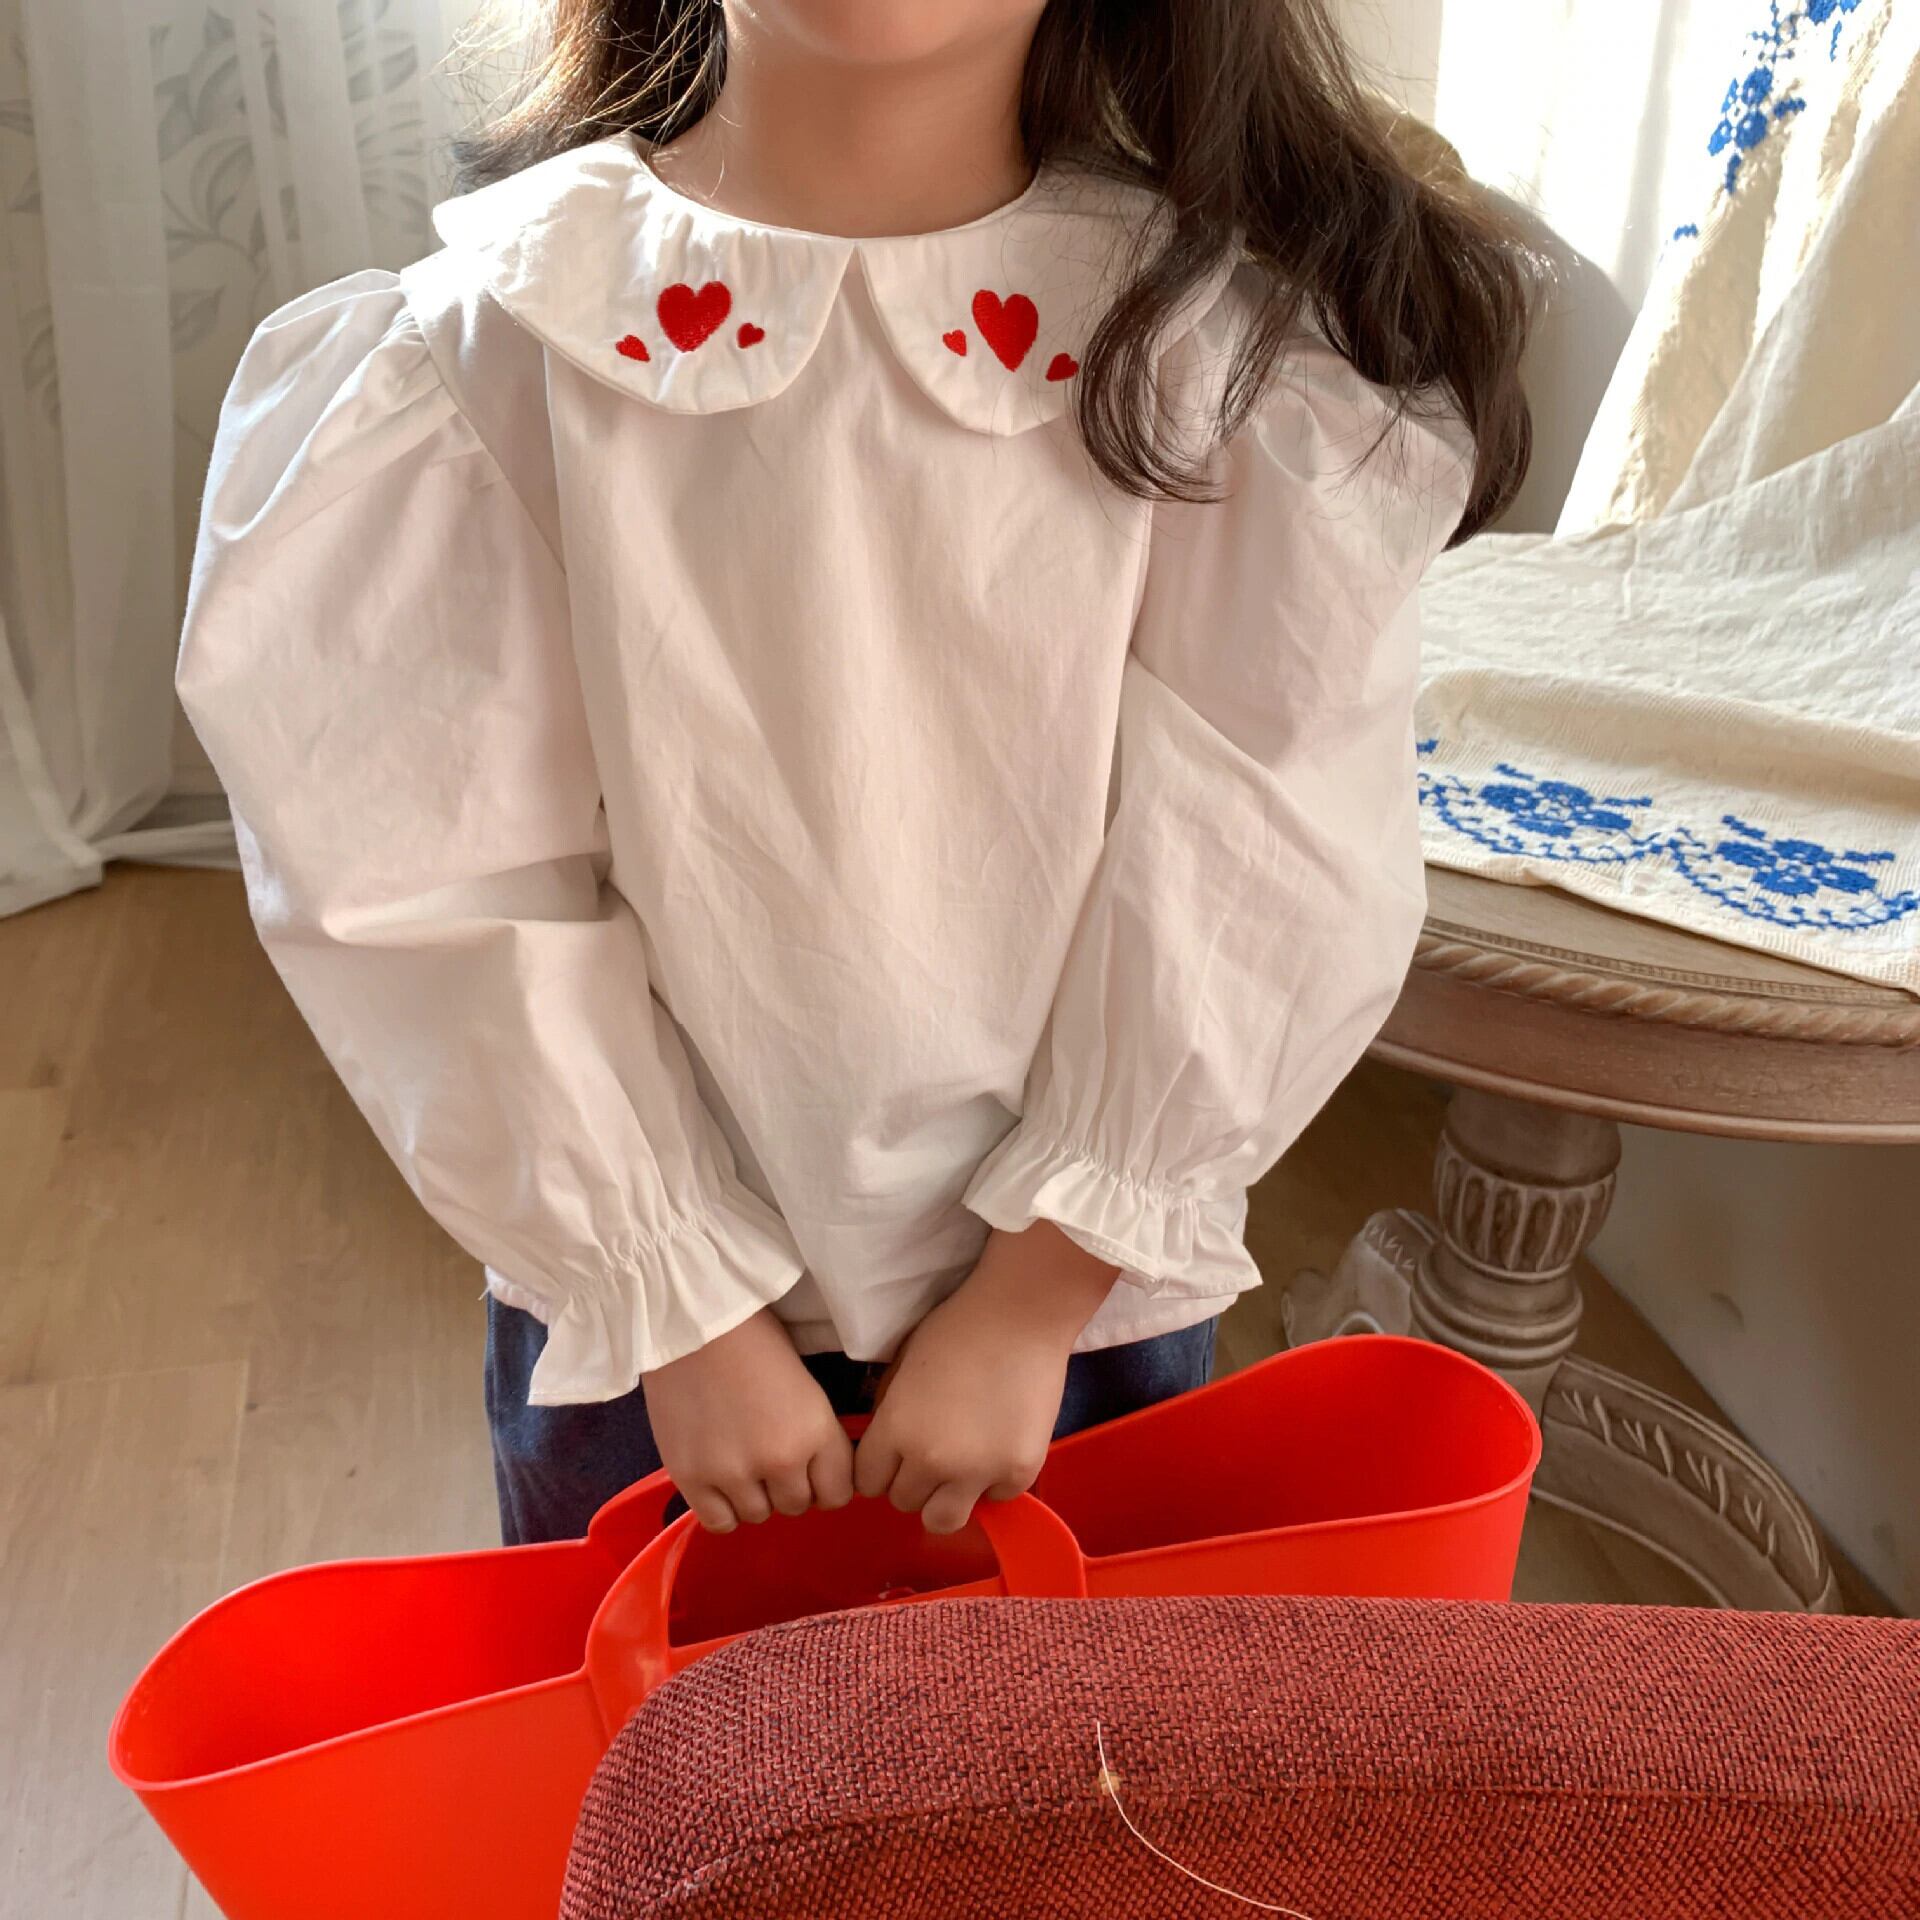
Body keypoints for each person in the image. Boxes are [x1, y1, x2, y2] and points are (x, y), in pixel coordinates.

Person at [176, 0, 1535, 1548]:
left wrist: (1037, 1289)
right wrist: (673, 1296)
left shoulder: (1225, 364)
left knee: (1068, 1713)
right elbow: (430, 879)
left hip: (1079, 1318)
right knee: (654, 1712)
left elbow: (1264, 849)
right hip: (647, 1354)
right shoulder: (484, 353)